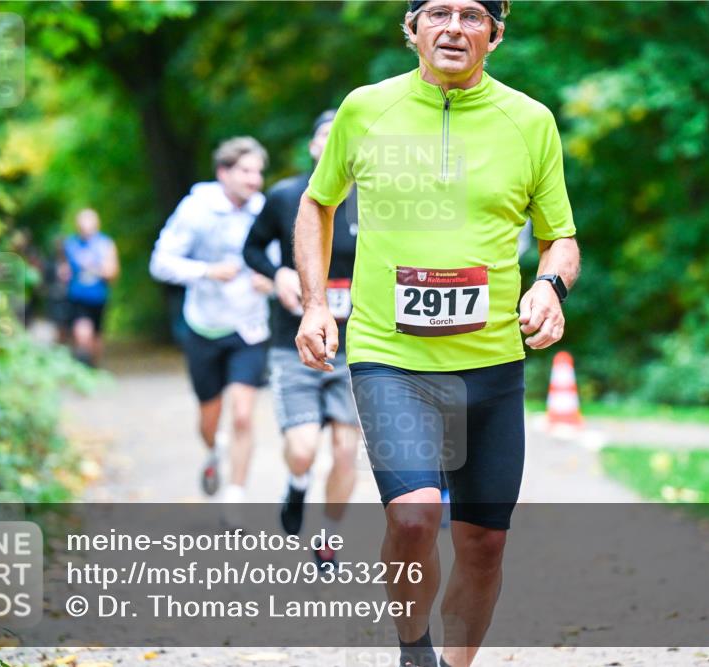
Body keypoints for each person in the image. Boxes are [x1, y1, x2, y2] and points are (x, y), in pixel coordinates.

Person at [293, 2, 581, 666]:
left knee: (484, 542)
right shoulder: (366, 110)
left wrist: (549, 286)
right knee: (415, 516)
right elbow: (318, 201)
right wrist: (313, 304)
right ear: (412, 28)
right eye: (438, 13)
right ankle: (412, 646)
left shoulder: (530, 121)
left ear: (495, 35)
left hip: (492, 366)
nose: (454, 27)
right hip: (391, 359)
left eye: (473, 15)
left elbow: (559, 236)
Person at [243, 110, 360, 568]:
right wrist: (279, 275)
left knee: (347, 450)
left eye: (341, 138)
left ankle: (329, 539)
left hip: (356, 345)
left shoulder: (376, 200)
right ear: (313, 147)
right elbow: (251, 248)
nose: (332, 144)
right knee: (303, 448)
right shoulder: (287, 195)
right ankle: (296, 487)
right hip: (295, 343)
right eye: (324, 137)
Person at [149, 137, 274, 528]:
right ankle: (213, 451)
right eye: (245, 171)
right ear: (223, 173)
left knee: (242, 415)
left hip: (249, 327)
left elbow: (280, 259)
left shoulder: (264, 210)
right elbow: (160, 263)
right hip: (204, 325)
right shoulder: (196, 209)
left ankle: (234, 498)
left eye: (258, 172)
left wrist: (270, 280)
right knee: (210, 417)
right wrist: (205, 271)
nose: (254, 180)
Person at [64, 209, 119, 367]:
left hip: (98, 296)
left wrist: (97, 269)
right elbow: (65, 269)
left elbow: (113, 272)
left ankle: (93, 366)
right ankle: (84, 362)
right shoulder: (71, 244)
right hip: (77, 296)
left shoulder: (105, 244)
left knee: (97, 334)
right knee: (82, 330)